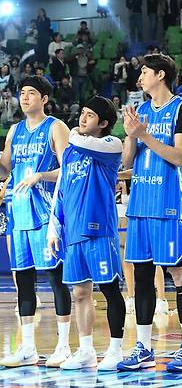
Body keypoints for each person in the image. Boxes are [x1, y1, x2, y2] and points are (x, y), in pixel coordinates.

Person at [119, 54, 182, 372]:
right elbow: (127, 161)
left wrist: (144, 135)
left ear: (161, 74)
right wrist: (131, 133)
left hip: (169, 203)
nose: (140, 76)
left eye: (145, 71)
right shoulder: (139, 111)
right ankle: (143, 347)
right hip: (140, 203)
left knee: (179, 275)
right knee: (141, 277)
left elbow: (178, 156)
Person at [46, 97, 126, 370]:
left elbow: (80, 140)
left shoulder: (111, 145)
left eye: (90, 115)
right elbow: (61, 190)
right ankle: (86, 350)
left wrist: (72, 134)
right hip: (73, 232)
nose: (82, 118)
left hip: (99, 229)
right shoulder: (71, 151)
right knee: (80, 293)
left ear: (103, 123)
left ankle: (115, 350)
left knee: (110, 289)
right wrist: (54, 227)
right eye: (82, 112)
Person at [0, 76, 73, 368]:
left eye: (31, 93)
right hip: (19, 213)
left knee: (56, 279)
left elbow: (69, 168)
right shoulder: (14, 130)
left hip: (46, 213)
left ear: (44, 99)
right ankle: (27, 347)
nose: (25, 97)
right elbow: (7, 167)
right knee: (23, 282)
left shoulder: (56, 127)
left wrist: (41, 175)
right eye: (22, 93)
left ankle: (64, 346)